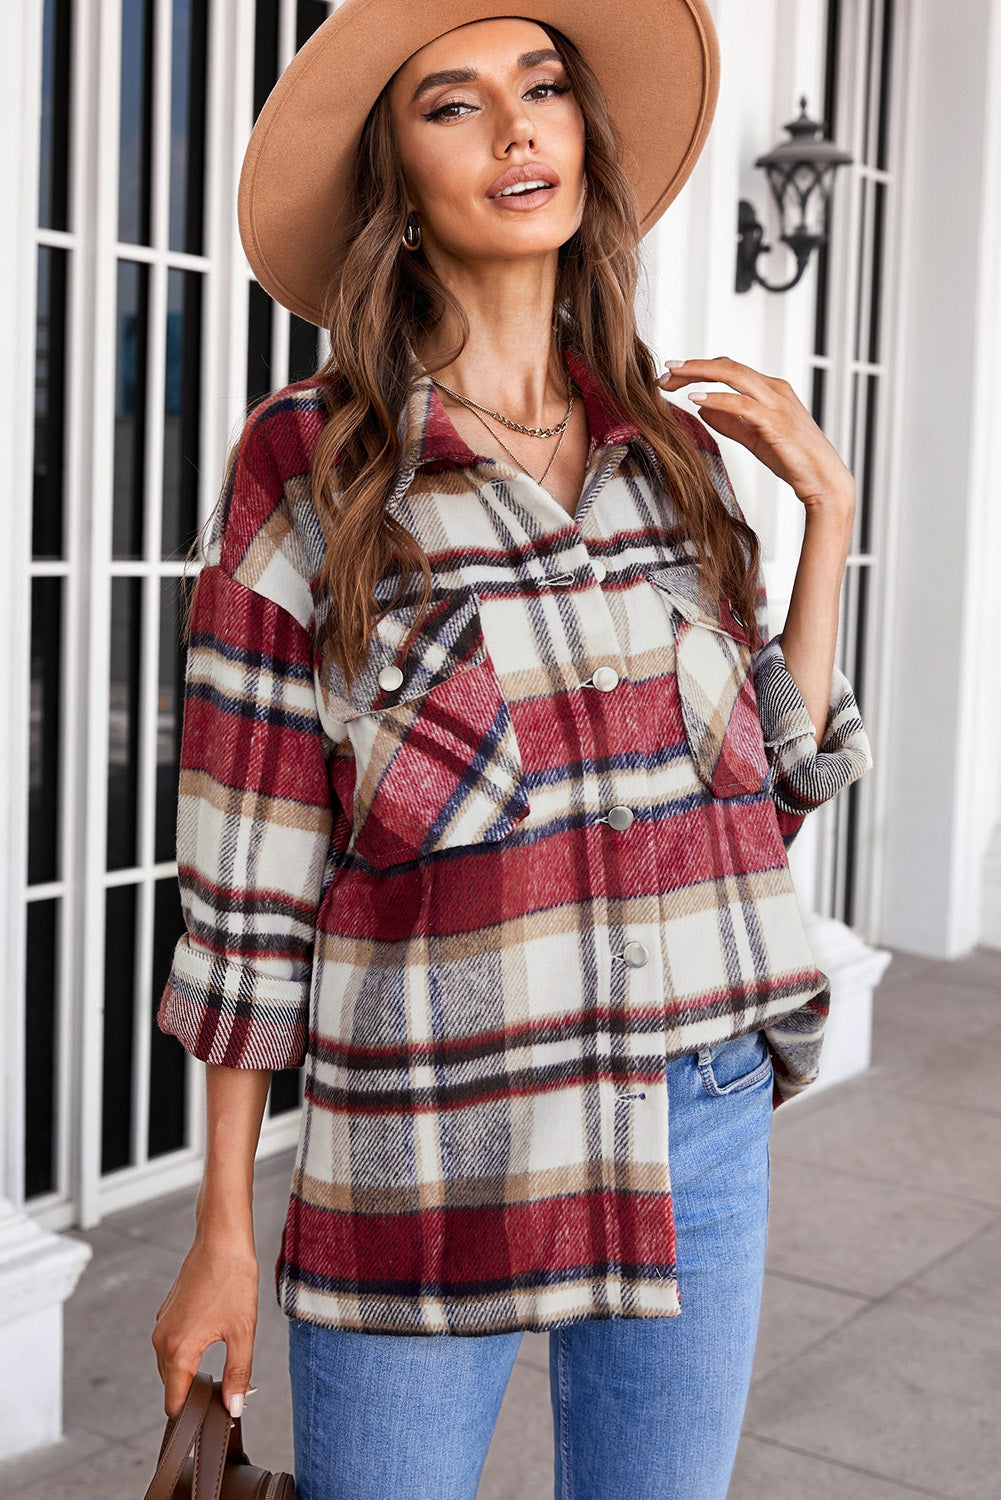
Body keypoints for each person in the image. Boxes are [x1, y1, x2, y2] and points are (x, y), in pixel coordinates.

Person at [151, 4, 873, 1497]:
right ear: (396, 176)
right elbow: (246, 887)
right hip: (426, 1127)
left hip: (699, 1107)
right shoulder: (310, 461)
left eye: (541, 88)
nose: (515, 126)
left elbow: (751, 813)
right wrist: (222, 1228)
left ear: (583, 139)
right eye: (452, 103)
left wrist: (827, 531)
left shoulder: (665, 450)